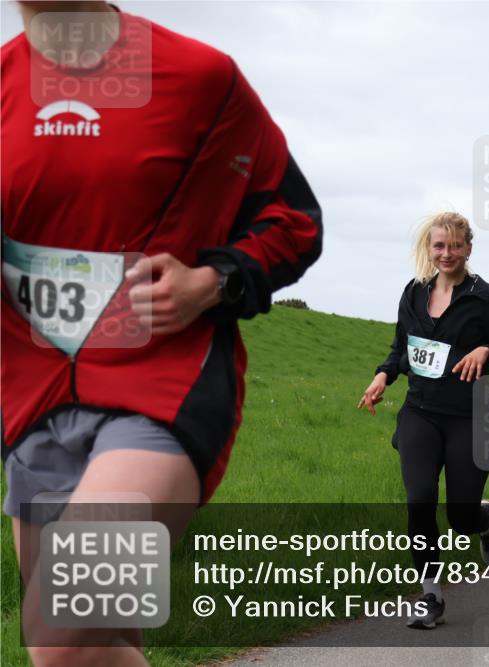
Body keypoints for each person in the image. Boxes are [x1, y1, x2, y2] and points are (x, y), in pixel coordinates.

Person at [2, 3, 322, 665]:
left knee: (60, 631)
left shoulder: (199, 77)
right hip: (29, 403)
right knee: (103, 643)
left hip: (161, 390)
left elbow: (294, 218)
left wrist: (214, 279)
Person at [358, 212, 489, 629]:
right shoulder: (414, 293)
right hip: (420, 413)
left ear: (468, 248)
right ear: (429, 249)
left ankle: (485, 522)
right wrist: (384, 374)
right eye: (438, 246)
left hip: (470, 417)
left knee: (460, 518)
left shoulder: (487, 299)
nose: (446, 253)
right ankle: (430, 596)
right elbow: (401, 347)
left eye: (454, 245)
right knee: (419, 501)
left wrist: (487, 351)